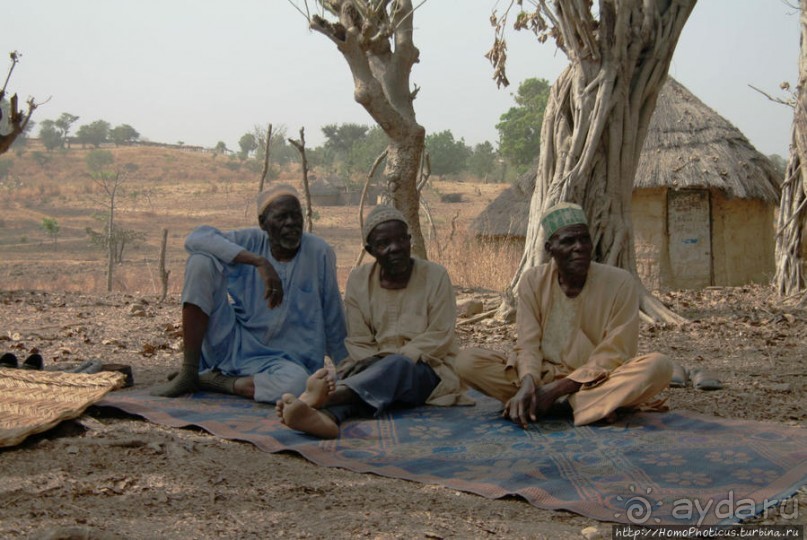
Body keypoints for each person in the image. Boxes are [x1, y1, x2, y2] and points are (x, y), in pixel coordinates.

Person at [456, 202, 672, 427]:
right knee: (466, 361)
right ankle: (587, 406)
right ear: (550, 249)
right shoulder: (532, 281)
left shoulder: (620, 282)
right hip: (543, 375)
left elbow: (615, 352)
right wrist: (529, 382)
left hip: (596, 380)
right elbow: (527, 345)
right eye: (569, 241)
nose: (579, 247)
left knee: (660, 366)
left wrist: (558, 389)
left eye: (584, 239)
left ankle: (563, 403)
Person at [276, 205, 472, 438]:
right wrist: (375, 365)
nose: (396, 248)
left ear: (410, 240)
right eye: (384, 243)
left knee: (398, 366)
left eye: (401, 239)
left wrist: (390, 360)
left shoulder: (435, 276)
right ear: (370, 250)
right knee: (365, 377)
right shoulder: (359, 280)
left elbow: (440, 335)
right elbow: (359, 340)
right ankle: (326, 419)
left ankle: (328, 397)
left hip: (428, 369)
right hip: (372, 368)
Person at [150, 184, 348, 403]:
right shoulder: (251, 242)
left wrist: (345, 366)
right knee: (200, 261)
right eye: (281, 217)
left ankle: (212, 381)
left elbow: (332, 315)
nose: (291, 223)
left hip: (285, 361)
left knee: (298, 385)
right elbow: (196, 238)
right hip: (236, 343)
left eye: (295, 215)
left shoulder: (319, 252)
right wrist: (257, 261)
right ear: (263, 223)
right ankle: (189, 371)